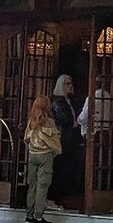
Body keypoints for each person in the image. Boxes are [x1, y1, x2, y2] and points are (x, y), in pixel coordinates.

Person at [23, 94, 62, 223]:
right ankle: (38, 216)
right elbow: (55, 140)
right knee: (42, 186)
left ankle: (29, 216)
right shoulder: (49, 122)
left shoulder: (31, 121)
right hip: (45, 155)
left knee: (32, 186)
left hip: (32, 154)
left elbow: (26, 139)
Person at [49, 75, 81, 209]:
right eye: (67, 84)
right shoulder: (58, 102)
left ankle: (64, 198)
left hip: (71, 139)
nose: (70, 86)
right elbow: (64, 119)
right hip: (62, 139)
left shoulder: (71, 101)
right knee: (58, 169)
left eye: (71, 83)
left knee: (68, 170)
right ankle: (52, 198)